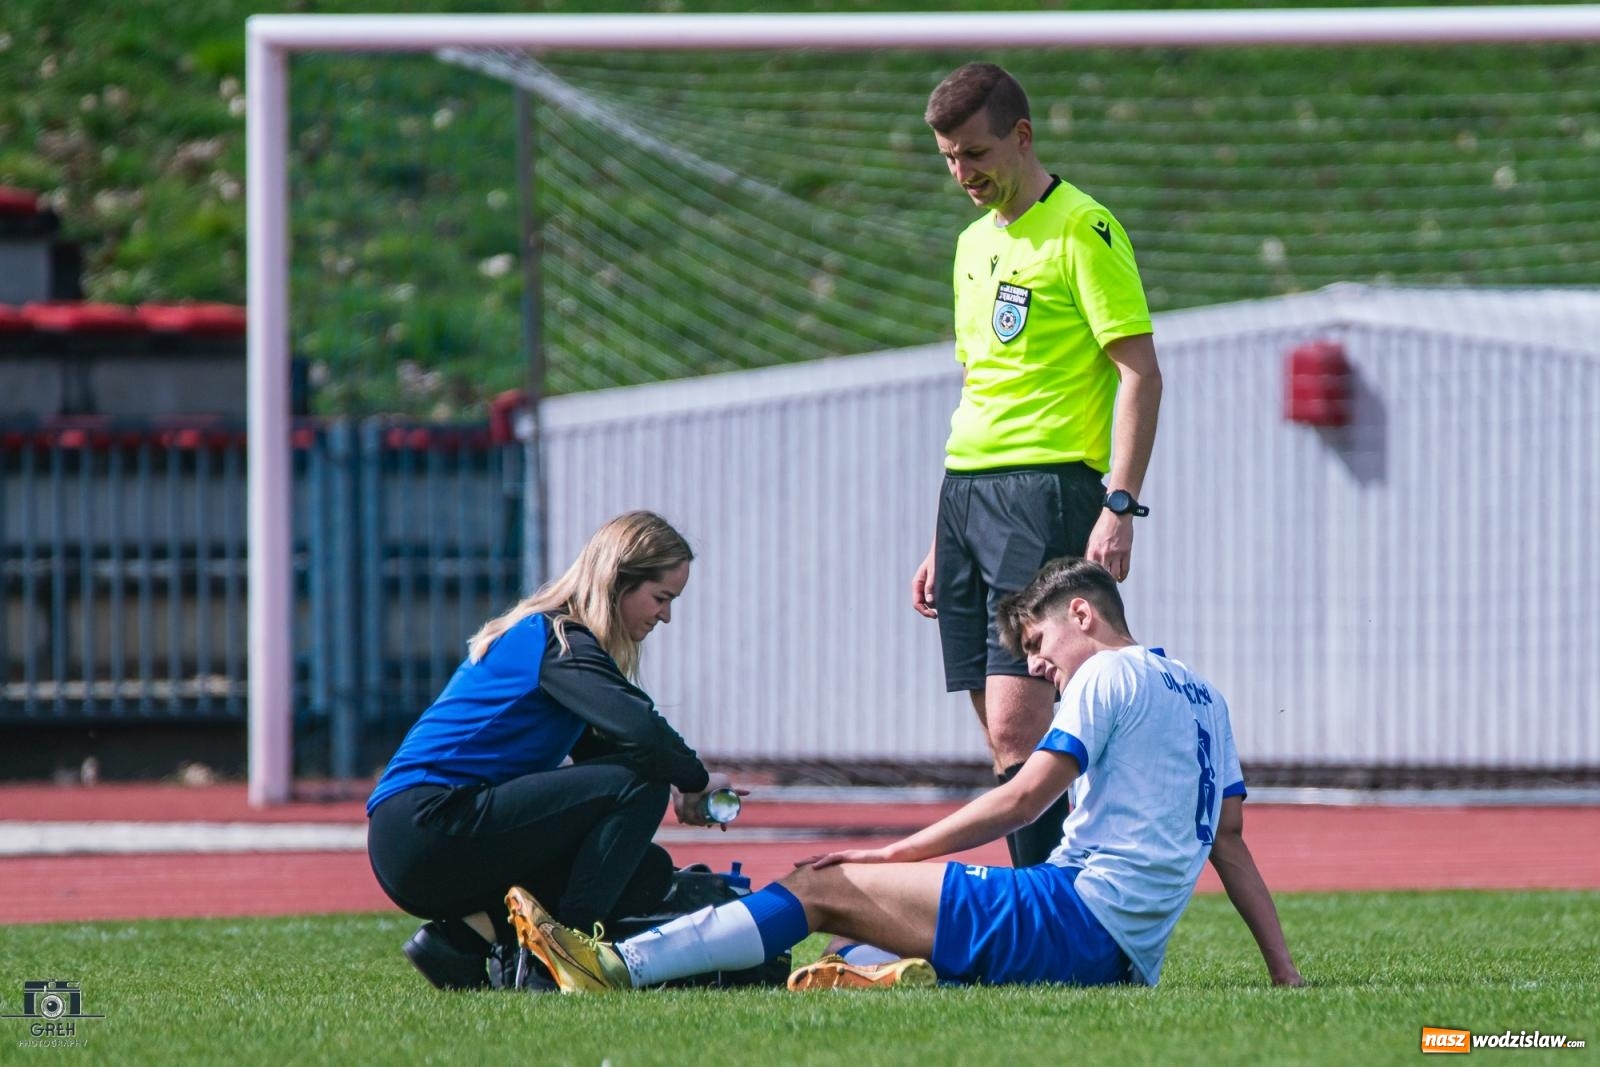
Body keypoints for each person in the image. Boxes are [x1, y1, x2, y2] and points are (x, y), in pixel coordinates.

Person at [505, 558, 1303, 993]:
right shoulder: (1206, 695)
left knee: (825, 885)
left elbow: (1024, 797)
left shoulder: (1107, 676)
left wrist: (893, 853)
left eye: (1037, 643)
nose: (1036, 665)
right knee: (862, 931)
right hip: (1125, 953)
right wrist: (1283, 972)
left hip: (1078, 918)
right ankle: (889, 974)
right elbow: (1230, 845)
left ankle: (616, 966)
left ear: (1083, 614)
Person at [910, 62, 1164, 867]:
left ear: (1022, 136)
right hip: (967, 495)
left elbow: (1139, 372)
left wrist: (1119, 503)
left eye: (976, 153)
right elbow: (981, 387)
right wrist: (940, 534)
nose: (963, 174)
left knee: (1026, 728)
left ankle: (1066, 910)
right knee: (1001, 737)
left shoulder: (1083, 228)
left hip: (1047, 487)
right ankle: (1052, 903)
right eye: (949, 158)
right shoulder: (970, 245)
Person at [366, 510, 740, 990]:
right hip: (427, 824)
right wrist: (695, 781)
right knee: (641, 782)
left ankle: (463, 943)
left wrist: (674, 783)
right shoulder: (556, 638)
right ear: (618, 581)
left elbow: (609, 769)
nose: (665, 614)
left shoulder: (553, 645)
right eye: (661, 597)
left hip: (421, 833)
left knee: (645, 870)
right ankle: (562, 960)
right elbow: (642, 738)